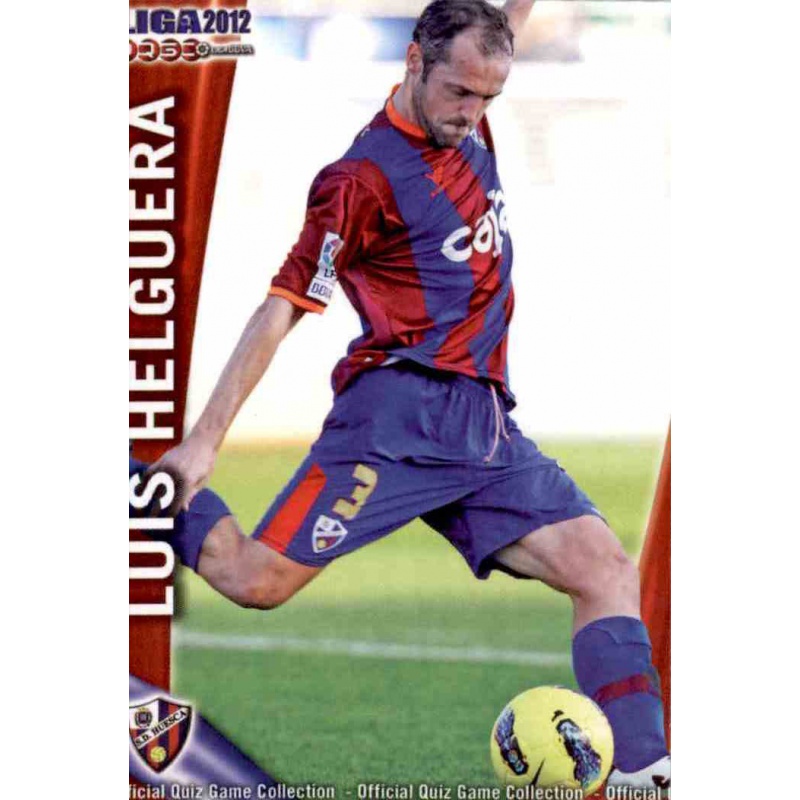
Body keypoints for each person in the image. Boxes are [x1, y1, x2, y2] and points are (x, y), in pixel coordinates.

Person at [132, 0, 670, 789]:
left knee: (604, 569)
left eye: (489, 96)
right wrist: (206, 440)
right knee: (252, 580)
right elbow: (282, 306)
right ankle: (129, 477)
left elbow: (503, 18)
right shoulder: (361, 180)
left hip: (484, 428)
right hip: (395, 423)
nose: (473, 112)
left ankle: (645, 773)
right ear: (415, 60)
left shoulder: (465, 108)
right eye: (461, 92)